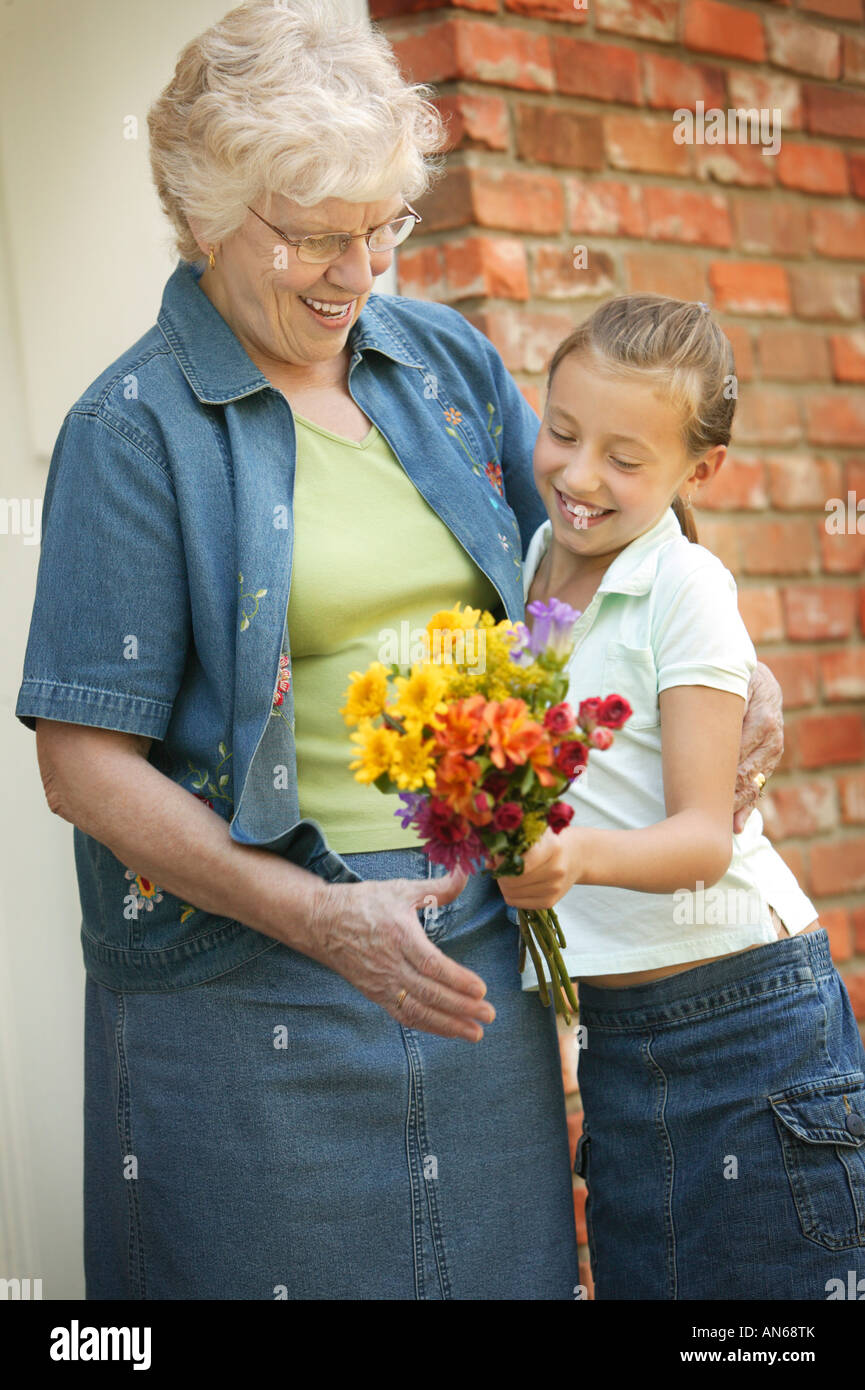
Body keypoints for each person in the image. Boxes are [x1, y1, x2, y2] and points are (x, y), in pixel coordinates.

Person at [15, 5, 782, 1299]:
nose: (354, 271)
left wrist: (736, 667)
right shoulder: (133, 426)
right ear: (204, 213)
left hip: (471, 946)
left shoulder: (438, 358)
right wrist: (322, 917)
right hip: (250, 972)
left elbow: (603, 550)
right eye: (314, 233)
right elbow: (83, 767)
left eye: (381, 228)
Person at [497, 293, 865, 1301]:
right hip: (620, 1040)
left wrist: (570, 859)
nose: (576, 475)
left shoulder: (685, 586)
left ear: (699, 470)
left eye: (624, 457)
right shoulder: (534, 564)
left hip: (748, 1028)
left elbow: (703, 837)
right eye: (562, 432)